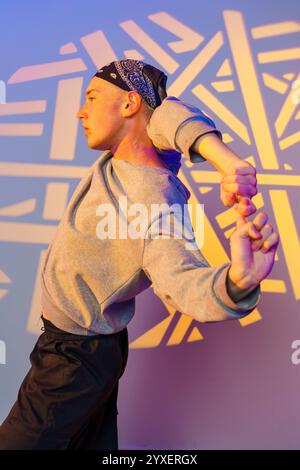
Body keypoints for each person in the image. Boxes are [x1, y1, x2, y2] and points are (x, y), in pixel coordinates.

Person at [0, 59, 279, 450]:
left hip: (75, 356)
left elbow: (180, 279)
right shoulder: (130, 159)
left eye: (93, 97)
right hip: (79, 348)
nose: (82, 110)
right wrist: (227, 162)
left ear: (129, 104)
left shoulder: (153, 199)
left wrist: (237, 282)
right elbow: (168, 116)